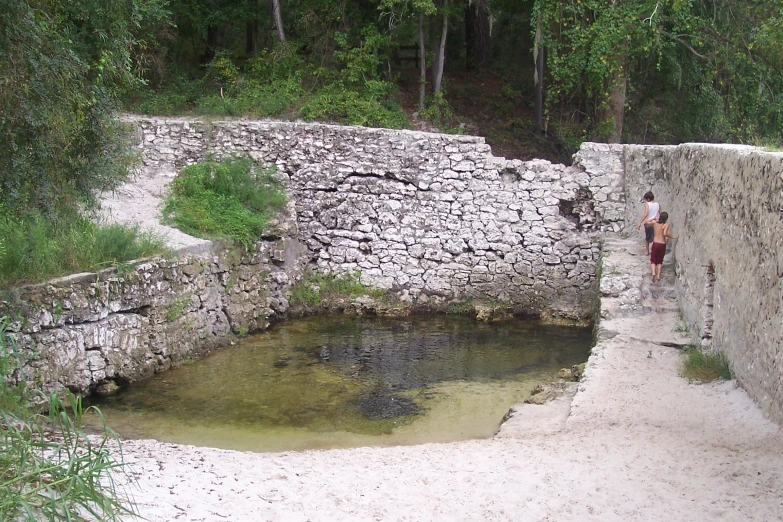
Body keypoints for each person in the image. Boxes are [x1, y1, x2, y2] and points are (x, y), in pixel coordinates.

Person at [646, 212, 679, 282]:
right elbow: (665, 234)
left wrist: (654, 218)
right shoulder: (666, 225)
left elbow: (647, 222)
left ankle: (654, 273)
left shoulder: (655, 223)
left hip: (655, 243)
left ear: (660, 217)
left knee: (653, 260)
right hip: (662, 244)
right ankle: (658, 275)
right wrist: (672, 237)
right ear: (666, 218)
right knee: (660, 261)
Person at [636, 191, 660, 256]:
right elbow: (660, 213)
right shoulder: (658, 204)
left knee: (647, 237)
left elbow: (646, 213)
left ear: (648, 199)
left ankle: (647, 251)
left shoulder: (647, 204)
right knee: (655, 237)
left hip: (648, 223)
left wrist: (640, 222)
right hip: (655, 223)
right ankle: (654, 251)